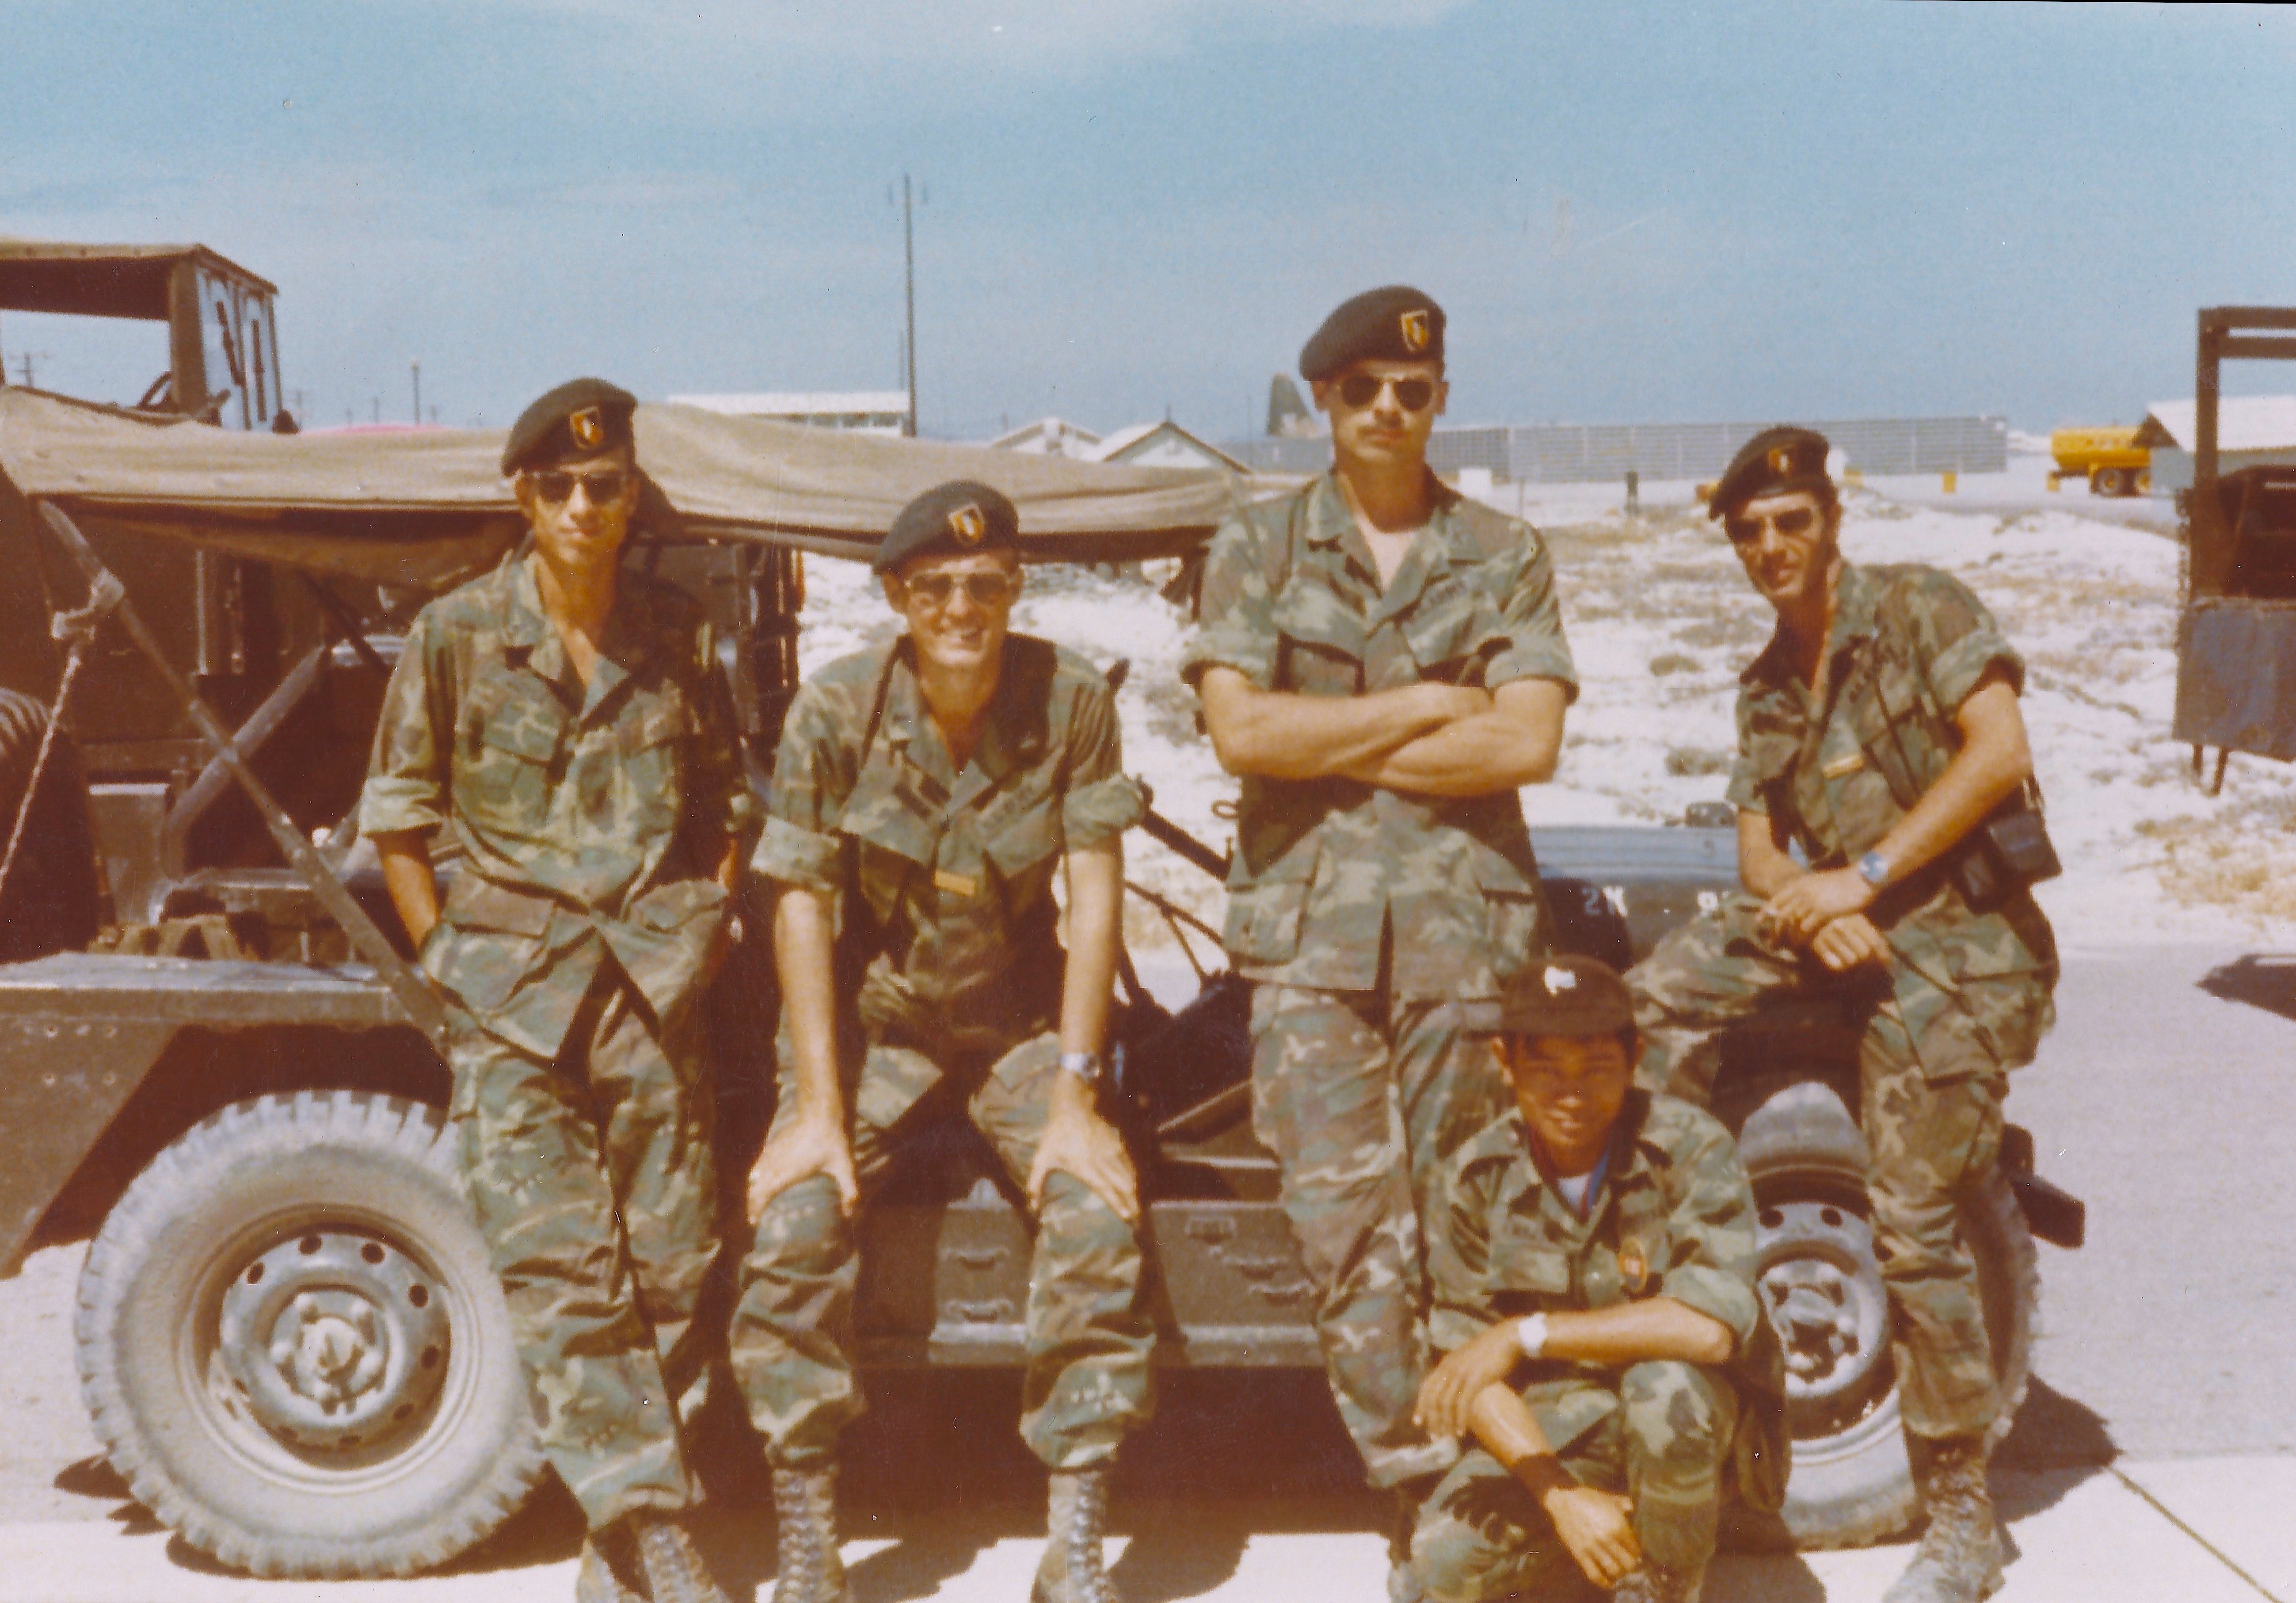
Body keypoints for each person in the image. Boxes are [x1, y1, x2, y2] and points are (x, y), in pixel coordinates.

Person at [1180, 285, 1577, 1590]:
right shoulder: (1258, 544)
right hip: (1309, 952)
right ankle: (1415, 1495)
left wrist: (1329, 739)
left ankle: (1480, 1488)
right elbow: (1243, 736)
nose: (1388, 410)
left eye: (1413, 390)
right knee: (1348, 1233)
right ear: (1323, 406)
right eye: (1362, 391)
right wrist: (1420, 704)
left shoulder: (1501, 551)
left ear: (1439, 399)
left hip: (1466, 941)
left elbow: (1525, 741)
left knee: (1465, 1225)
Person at [1624, 427, 2059, 1603]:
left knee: (1912, 1213)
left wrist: (1859, 877)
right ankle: (1671, 1242)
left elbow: (1995, 751)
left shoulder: (1916, 609)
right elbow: (1759, 851)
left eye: (1789, 521)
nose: (1770, 545)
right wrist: (1807, 910)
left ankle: (1960, 1510)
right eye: (1749, 532)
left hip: (1961, 949)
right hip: (1843, 934)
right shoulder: (1765, 683)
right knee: (1648, 1000)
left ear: (1828, 518)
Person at [729, 481, 1155, 1603]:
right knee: (797, 1227)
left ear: (1015, 587)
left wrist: (1076, 1094)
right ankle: (812, 1543)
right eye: (936, 588)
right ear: (895, 597)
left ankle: (1073, 1543)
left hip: (1016, 1023)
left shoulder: (1065, 699)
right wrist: (817, 1109)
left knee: (1095, 1215)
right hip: (876, 1028)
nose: (963, 606)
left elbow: (1098, 886)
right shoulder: (838, 711)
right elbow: (801, 903)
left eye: (987, 583)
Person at [363, 379, 749, 1603]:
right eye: (561, 487)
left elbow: (731, 801)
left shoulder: (676, 633)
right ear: (521, 497)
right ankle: (655, 1529)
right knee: (559, 1268)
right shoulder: (457, 634)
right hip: (513, 998)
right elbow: (400, 819)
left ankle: (617, 1540)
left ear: (631, 495)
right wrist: (446, 965)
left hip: (650, 990)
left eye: (608, 484)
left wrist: (710, 920)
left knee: (676, 1261)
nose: (586, 505)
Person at [1410, 955, 1785, 1603]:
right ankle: (1607, 1539)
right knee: (1441, 1562)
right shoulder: (1473, 1177)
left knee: (1660, 1386)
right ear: (1505, 1063)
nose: (1572, 1095)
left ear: (1635, 1056)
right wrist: (1560, 1496)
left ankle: (1668, 1582)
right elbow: (1470, 1369)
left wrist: (1526, 1333)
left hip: (1694, 1418)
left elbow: (1710, 1331)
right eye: (1545, 1071)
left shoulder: (1690, 1147)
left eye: (1596, 1069)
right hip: (1565, 1426)